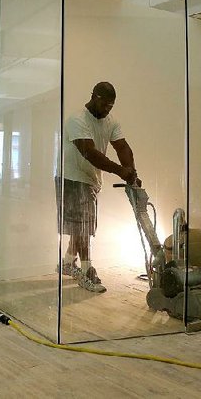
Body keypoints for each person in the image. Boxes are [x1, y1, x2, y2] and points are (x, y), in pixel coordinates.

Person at [58, 82, 139, 293]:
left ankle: (67, 263)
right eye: (104, 105)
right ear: (94, 97)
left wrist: (131, 171)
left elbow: (122, 147)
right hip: (72, 177)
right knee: (83, 224)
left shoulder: (110, 121)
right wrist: (120, 171)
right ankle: (86, 271)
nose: (106, 110)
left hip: (91, 178)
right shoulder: (77, 120)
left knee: (81, 224)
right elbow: (89, 152)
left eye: (110, 107)